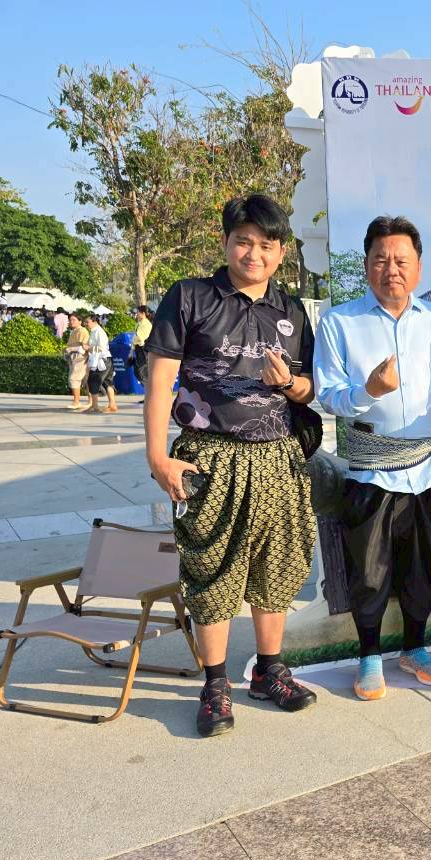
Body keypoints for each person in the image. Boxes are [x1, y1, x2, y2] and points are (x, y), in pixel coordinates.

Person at [144, 193, 318, 738]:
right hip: (209, 456)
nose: (254, 253)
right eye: (244, 241)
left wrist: (286, 383)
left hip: (278, 456)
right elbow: (159, 380)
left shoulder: (291, 311)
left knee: (278, 564)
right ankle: (215, 684)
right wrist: (156, 456)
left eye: (267, 245)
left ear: (282, 252)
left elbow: (309, 389)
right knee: (211, 566)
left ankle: (270, 671)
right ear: (225, 242)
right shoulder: (191, 298)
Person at [313, 215, 431, 700]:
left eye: (401, 260)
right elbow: (327, 395)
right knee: (370, 569)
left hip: (428, 469)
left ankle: (415, 647)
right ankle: (368, 656)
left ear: (419, 268)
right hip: (368, 470)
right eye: (380, 259)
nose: (391, 269)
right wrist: (367, 391)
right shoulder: (340, 323)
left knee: (424, 566)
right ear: (366, 265)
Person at [82, 314, 119, 414]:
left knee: (93, 380)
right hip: (103, 359)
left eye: (88, 322)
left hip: (102, 360)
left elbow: (101, 348)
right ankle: (112, 404)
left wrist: (88, 348)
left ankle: (95, 406)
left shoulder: (99, 332)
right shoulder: (95, 331)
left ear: (95, 322)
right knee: (107, 382)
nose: (87, 324)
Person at [64, 314, 89, 411]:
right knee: (85, 380)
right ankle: (90, 401)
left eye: (74, 320)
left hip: (80, 357)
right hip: (73, 357)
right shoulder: (73, 331)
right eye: (70, 320)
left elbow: (84, 347)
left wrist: (71, 349)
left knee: (74, 379)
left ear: (80, 321)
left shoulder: (82, 331)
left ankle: (76, 402)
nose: (71, 322)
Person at [130, 304, 153, 385]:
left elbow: (140, 338)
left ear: (143, 313)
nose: (137, 314)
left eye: (138, 312)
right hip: (138, 349)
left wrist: (133, 340)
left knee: (142, 372)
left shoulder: (146, 324)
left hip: (143, 349)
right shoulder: (139, 323)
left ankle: (150, 395)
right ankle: (148, 395)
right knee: (138, 372)